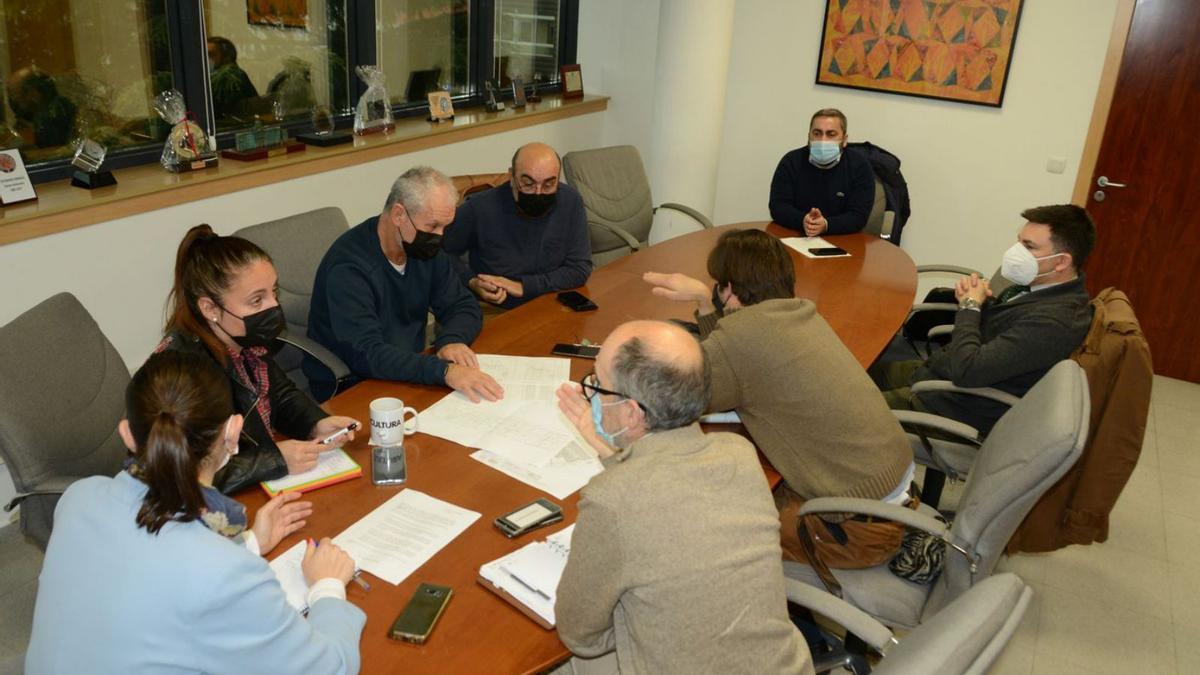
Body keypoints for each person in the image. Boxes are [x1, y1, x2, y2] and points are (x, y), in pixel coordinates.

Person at [26, 351, 365, 673]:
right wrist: (327, 587)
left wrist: (249, 543)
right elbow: (329, 668)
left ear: (127, 434)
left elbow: (151, 566)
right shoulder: (224, 574)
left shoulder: (78, 499)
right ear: (233, 432)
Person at [643, 229, 914, 570]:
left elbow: (679, 400)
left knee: (696, 522)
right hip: (891, 487)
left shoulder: (742, 340)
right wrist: (704, 301)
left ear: (728, 289)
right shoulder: (801, 313)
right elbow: (733, 359)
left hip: (853, 527)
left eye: (717, 286)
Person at [552, 320, 813, 675]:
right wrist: (612, 451)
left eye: (597, 384)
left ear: (631, 412)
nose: (591, 394)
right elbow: (660, 497)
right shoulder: (739, 454)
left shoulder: (610, 500)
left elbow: (580, 635)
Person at [158, 224, 360, 494]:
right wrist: (274, 460)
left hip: (255, 490)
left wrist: (316, 423)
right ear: (210, 308)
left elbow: (280, 395)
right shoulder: (180, 374)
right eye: (256, 301)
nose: (274, 307)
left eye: (273, 293)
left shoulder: (241, 342)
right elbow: (183, 477)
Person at [871, 204, 1096, 434]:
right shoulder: (1040, 288)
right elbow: (998, 332)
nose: (1016, 252)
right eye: (1019, 241)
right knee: (857, 374)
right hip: (939, 372)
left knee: (846, 410)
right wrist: (981, 300)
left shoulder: (1055, 322)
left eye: (1029, 246)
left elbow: (967, 371)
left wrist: (970, 305)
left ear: (1061, 262)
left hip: (952, 404)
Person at [306, 166, 503, 403]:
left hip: (408, 368)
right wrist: (443, 371)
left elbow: (462, 304)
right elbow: (367, 353)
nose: (440, 236)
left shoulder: (423, 249)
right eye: (432, 226)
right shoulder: (349, 268)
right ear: (399, 214)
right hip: (354, 384)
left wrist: (452, 339)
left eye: (445, 227)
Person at [442, 142, 592, 310]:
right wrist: (470, 280)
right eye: (528, 184)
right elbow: (441, 252)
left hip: (553, 301)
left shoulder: (570, 201)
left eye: (549, 185)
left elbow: (580, 268)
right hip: (497, 308)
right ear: (512, 177)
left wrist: (524, 286)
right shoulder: (479, 208)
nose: (538, 192)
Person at [769, 108, 874, 236]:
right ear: (809, 136)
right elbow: (778, 206)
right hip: (797, 235)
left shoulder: (860, 166)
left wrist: (826, 224)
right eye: (817, 133)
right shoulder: (791, 161)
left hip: (843, 239)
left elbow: (859, 216)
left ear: (844, 139)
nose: (823, 140)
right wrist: (803, 220)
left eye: (831, 134)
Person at [207, 36, 259, 120]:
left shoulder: (230, 76)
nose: (206, 58)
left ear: (226, 57)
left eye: (211, 54)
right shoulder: (217, 75)